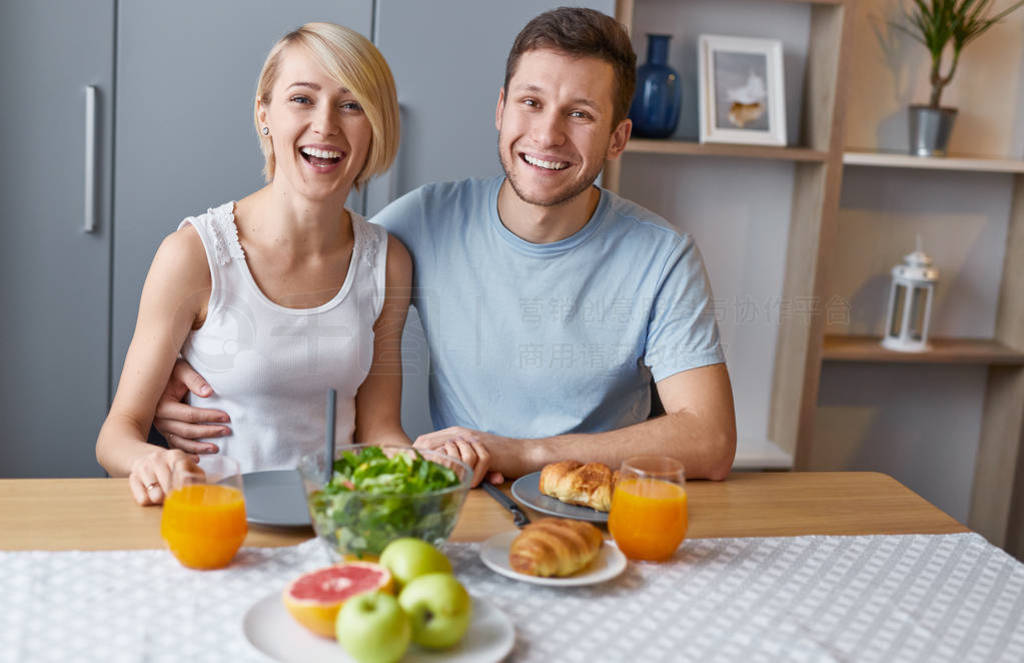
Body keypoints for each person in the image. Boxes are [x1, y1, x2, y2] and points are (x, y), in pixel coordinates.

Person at [155, 8, 736, 484]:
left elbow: (709, 441)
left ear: (617, 138)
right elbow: (306, 279)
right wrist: (193, 364)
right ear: (501, 108)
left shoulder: (662, 257)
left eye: (579, 114)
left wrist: (526, 454)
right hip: (468, 507)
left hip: (594, 509)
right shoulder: (423, 221)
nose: (548, 134)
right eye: (531, 103)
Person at [96, 22, 419, 505]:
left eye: (351, 105)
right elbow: (116, 436)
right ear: (264, 114)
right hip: (214, 522)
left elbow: (380, 431)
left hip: (330, 526)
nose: (326, 125)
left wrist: (431, 466)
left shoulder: (387, 263)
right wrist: (151, 460)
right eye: (302, 99)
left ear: (375, 127)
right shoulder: (194, 255)